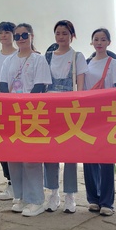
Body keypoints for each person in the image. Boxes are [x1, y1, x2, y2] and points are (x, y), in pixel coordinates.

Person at [0, 23, 51, 217]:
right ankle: (20, 197)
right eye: (17, 36)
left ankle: (36, 200)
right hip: (12, 114)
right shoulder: (9, 61)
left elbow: (40, 86)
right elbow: (3, 85)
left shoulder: (39, 59)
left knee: (31, 158)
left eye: (24, 35)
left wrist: (25, 106)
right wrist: (10, 106)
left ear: (31, 36)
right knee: (13, 157)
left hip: (31, 113)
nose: (20, 39)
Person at [43, 20, 88, 214]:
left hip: (70, 110)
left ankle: (70, 195)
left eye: (65, 33)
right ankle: (53, 194)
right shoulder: (47, 57)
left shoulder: (77, 56)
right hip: (50, 109)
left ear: (72, 36)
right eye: (58, 33)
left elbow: (81, 86)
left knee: (70, 153)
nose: (61, 37)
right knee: (50, 152)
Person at [83, 28, 116, 217]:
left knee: (106, 158)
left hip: (107, 115)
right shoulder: (86, 63)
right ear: (92, 42)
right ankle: (93, 198)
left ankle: (107, 202)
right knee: (89, 157)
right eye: (96, 39)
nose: (99, 43)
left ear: (108, 42)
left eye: (103, 39)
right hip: (88, 115)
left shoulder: (113, 63)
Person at [0, 21, 17, 201]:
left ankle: (19, 182)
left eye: (7, 32)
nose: (4, 35)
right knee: (2, 146)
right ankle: (10, 182)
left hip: (15, 108)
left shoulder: (20, 55)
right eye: (1, 32)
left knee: (16, 145)